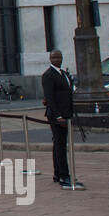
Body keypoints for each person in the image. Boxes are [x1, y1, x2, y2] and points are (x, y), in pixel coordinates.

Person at [41, 50, 75, 187]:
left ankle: (57, 173)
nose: (56, 59)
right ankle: (63, 175)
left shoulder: (64, 73)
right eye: (54, 57)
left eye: (59, 57)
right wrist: (58, 115)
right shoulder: (48, 75)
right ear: (50, 58)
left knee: (59, 144)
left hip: (66, 112)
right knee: (60, 145)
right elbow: (49, 97)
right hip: (57, 115)